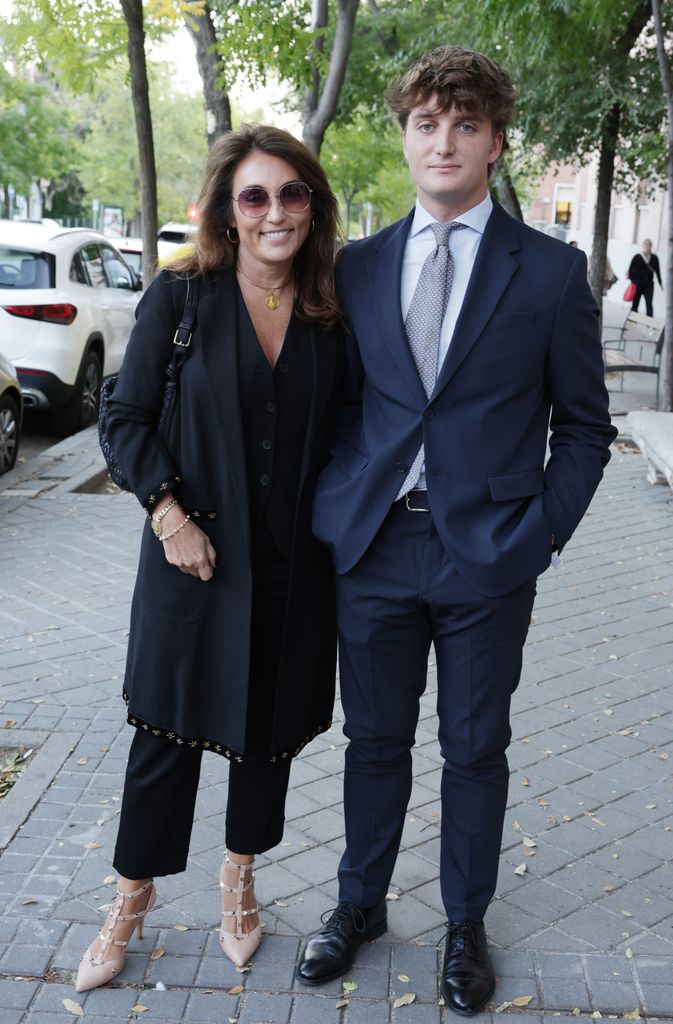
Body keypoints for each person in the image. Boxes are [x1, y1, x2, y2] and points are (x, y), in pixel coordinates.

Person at [303, 47, 617, 1015]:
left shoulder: (552, 271)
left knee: (475, 746)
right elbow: (332, 405)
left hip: (489, 553)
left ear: (494, 141)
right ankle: (359, 904)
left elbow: (585, 424)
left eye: (465, 124)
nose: (444, 141)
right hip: (375, 550)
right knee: (373, 741)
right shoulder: (355, 266)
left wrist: (541, 534)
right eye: (426, 122)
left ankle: (465, 922)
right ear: (403, 137)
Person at [75, 125, 343, 992]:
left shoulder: (329, 310)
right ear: (229, 210)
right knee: (164, 736)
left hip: (293, 570)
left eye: (291, 193)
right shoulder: (182, 297)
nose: (274, 212)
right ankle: (128, 901)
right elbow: (123, 418)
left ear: (312, 205)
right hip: (190, 564)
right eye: (254, 196)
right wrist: (166, 512)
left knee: (264, 739)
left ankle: (239, 884)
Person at [628, 239, 662, 317]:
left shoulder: (654, 258)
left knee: (649, 304)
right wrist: (633, 282)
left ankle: (649, 323)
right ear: (643, 246)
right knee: (635, 303)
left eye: (649, 244)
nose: (647, 246)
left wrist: (661, 283)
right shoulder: (637, 257)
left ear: (651, 246)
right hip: (638, 285)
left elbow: (658, 271)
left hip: (649, 285)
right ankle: (632, 321)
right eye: (646, 244)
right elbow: (630, 270)